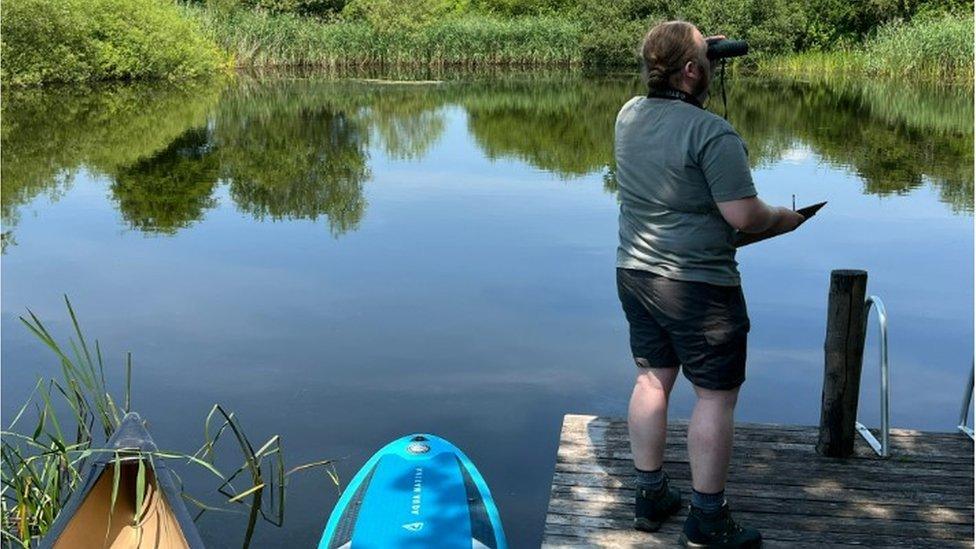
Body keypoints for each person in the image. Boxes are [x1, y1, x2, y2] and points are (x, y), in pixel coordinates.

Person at [614, 20, 804, 548]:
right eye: (707, 58)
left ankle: (650, 495)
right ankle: (707, 521)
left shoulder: (628, 114)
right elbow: (743, 216)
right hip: (697, 286)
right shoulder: (712, 133)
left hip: (635, 273)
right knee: (715, 398)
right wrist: (785, 219)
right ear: (696, 70)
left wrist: (694, 48)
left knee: (653, 381)